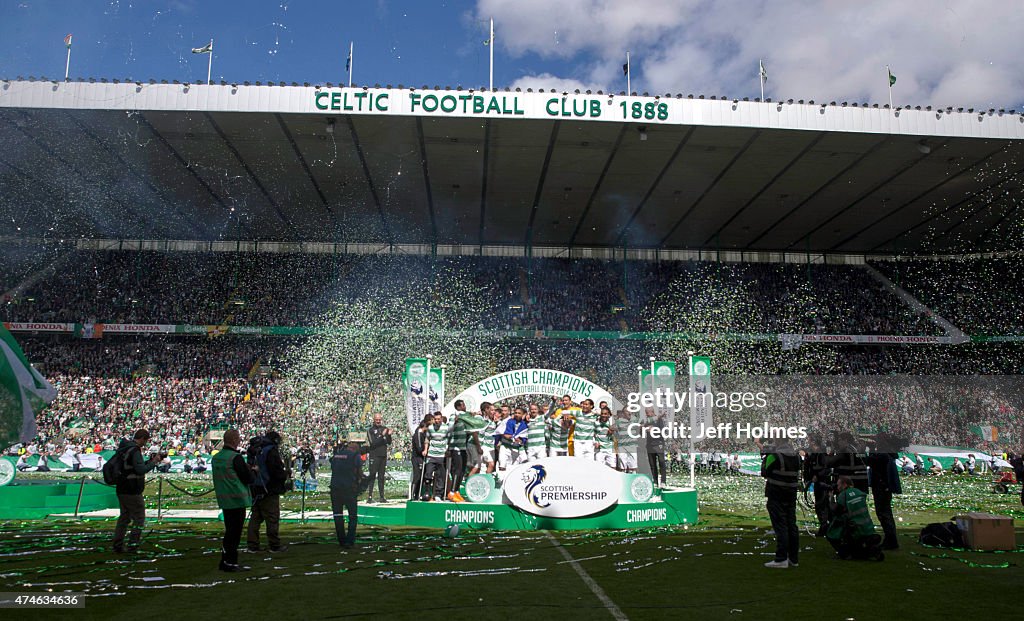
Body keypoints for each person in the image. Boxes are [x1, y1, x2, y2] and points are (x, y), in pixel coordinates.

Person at [329, 434, 387, 549]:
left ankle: (341, 540)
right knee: (352, 516)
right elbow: (359, 472)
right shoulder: (355, 456)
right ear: (356, 449)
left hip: (335, 488)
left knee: (338, 515)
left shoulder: (337, 455)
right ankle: (350, 541)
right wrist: (366, 479)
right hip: (349, 489)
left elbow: (333, 468)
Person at [112, 429, 161, 554]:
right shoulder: (134, 450)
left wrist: (148, 462)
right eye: (146, 441)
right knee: (139, 518)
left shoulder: (124, 449)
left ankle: (118, 545)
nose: (145, 444)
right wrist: (153, 462)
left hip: (122, 487)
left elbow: (134, 467)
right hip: (132, 489)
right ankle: (133, 545)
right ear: (143, 438)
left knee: (124, 517)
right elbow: (140, 470)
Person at [213, 429, 254, 572]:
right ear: (234, 440)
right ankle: (230, 562)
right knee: (234, 534)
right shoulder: (235, 458)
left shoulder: (217, 457)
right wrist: (253, 470)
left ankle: (226, 560)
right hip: (237, 499)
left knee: (229, 532)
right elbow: (248, 478)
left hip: (224, 499)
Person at [758, 437, 800, 568]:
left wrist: (765, 457)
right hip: (791, 494)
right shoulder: (796, 456)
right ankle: (793, 558)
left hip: (776, 494)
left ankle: (781, 558)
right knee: (791, 525)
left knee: (781, 526)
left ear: (778, 441)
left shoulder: (775, 455)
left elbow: (764, 472)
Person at [247, 430, 291, 553]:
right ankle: (274, 545)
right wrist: (285, 474)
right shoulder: (270, 450)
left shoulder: (256, 449)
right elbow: (275, 470)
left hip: (256, 487)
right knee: (272, 517)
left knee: (255, 517)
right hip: (269, 488)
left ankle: (252, 545)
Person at [827, 476, 884, 561]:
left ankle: (846, 554)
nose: (837, 487)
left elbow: (836, 510)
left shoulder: (844, 495)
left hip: (853, 528)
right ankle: (868, 549)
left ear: (844, 484)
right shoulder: (859, 492)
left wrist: (831, 498)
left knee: (831, 533)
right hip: (867, 527)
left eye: (838, 485)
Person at [864, 440, 902, 551]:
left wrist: (864, 450)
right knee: (886, 513)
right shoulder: (887, 455)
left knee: (883, 514)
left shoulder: (883, 456)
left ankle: (890, 540)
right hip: (884, 487)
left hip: (881, 487)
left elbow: (867, 460)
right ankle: (891, 539)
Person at [422, 412, 450, 500]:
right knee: (428, 473)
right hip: (431, 454)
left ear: (441, 419)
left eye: (438, 419)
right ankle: (427, 492)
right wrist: (425, 449)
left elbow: (449, 439)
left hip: (441, 454)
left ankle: (438, 494)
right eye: (435, 419)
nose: (437, 421)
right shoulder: (430, 428)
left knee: (440, 475)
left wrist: (447, 450)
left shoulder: (446, 427)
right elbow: (427, 439)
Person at [365, 414, 393, 503]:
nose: (378, 421)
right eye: (376, 419)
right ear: (374, 420)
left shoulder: (384, 428)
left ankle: (382, 497)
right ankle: (369, 497)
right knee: (372, 476)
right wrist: (381, 435)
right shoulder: (370, 430)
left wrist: (389, 435)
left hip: (383, 456)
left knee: (381, 477)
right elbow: (373, 443)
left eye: (379, 419)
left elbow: (389, 442)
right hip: (374, 455)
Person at [410, 417, 430, 500]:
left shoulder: (423, 434)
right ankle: (412, 495)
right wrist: (424, 451)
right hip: (417, 458)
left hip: (421, 458)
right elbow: (419, 448)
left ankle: (418, 494)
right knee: (417, 476)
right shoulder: (418, 433)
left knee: (422, 475)